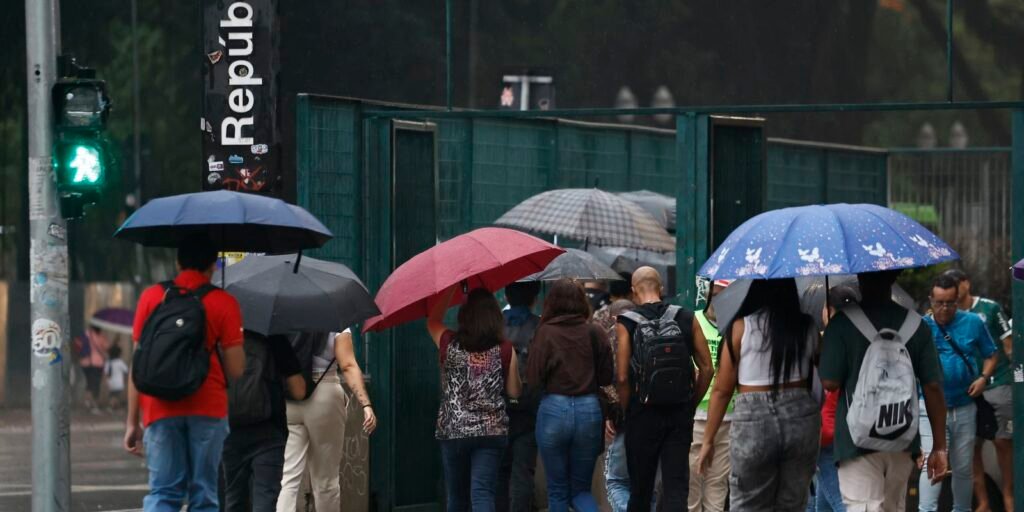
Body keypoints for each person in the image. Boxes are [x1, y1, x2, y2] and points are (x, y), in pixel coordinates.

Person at [123, 237, 246, 512]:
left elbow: (138, 364)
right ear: (213, 265)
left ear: (177, 262)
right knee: (204, 494)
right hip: (208, 408)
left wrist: (132, 422)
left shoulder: (152, 297)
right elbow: (237, 369)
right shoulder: (224, 302)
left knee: (164, 493)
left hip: (159, 407)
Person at [820, 270, 948, 512]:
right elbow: (933, 386)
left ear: (859, 279)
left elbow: (830, 382)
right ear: (894, 278)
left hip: (855, 443)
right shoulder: (916, 325)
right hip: (901, 439)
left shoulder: (842, 324)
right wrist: (939, 447)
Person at [696, 278, 819, 511]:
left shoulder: (741, 327)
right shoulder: (807, 326)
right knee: (792, 504)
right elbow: (823, 375)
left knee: (749, 503)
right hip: (801, 417)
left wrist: (708, 440)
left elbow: (722, 390)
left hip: (755, 420)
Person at [616, 267, 713, 512]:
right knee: (676, 488)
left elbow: (622, 376)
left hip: (641, 414)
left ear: (633, 291)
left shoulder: (626, 322)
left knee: (640, 490)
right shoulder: (687, 318)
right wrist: (690, 403)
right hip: (679, 414)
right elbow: (707, 368)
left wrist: (628, 410)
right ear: (661, 289)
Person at [427, 286, 523, 512]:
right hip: (491, 431)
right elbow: (514, 392)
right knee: (482, 494)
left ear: (464, 315)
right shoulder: (505, 349)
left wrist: (450, 289)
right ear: (495, 318)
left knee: (457, 496)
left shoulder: (449, 343)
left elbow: (432, 320)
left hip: (454, 431)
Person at [527, 279, 614, 512]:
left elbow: (533, 380)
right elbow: (607, 377)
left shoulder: (544, 333)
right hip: (589, 410)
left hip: (553, 410)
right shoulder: (595, 332)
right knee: (581, 491)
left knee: (557, 490)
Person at [918, 273, 999, 512]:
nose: (944, 309)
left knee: (963, 467)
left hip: (964, 404)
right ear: (930, 300)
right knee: (931, 464)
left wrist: (984, 378)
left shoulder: (973, 322)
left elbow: (991, 354)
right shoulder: (922, 326)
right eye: (939, 302)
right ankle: (926, 510)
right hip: (930, 407)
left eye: (950, 303)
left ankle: (962, 509)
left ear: (958, 299)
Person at [276, 329, 378, 512]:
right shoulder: (335, 318)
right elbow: (347, 365)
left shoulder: (287, 314)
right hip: (324, 392)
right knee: (326, 481)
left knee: (288, 479)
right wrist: (366, 404)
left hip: (289, 394)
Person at [942, 268, 1015, 512]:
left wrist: (1017, 379)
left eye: (956, 283)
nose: (953, 289)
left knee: (1003, 441)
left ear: (966, 283)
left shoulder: (989, 308)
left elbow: (1009, 346)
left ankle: (1008, 496)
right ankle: (983, 502)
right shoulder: (947, 315)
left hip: (997, 382)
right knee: (971, 446)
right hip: (968, 389)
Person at [221, 331, 305, 512]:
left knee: (233, 499)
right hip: (269, 433)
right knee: (266, 498)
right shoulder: (274, 338)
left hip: (227, 431)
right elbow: (298, 391)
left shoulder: (216, 338)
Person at [806, 284, 858, 512]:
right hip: (851, 426)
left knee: (840, 500)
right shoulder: (861, 339)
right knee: (823, 500)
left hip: (825, 429)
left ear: (827, 310)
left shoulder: (820, 341)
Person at [688, 279, 734, 512]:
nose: (720, 299)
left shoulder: (738, 324)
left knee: (717, 484)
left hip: (729, 415)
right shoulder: (693, 321)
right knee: (693, 483)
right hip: (699, 413)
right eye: (716, 294)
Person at [497, 281, 542, 512]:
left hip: (497, 407)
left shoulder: (495, 327)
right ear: (535, 297)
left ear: (506, 295)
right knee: (523, 471)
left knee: (500, 471)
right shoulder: (540, 326)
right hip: (529, 408)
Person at [79, 326, 110, 412]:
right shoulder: (100, 336)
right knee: (95, 384)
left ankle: (87, 401)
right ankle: (94, 403)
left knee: (89, 383)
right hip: (97, 363)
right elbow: (107, 346)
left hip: (85, 362)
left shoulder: (87, 334)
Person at [104, 344, 129, 410]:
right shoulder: (120, 362)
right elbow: (126, 370)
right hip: (119, 383)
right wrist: (125, 379)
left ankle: (112, 406)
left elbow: (106, 373)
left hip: (110, 382)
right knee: (116, 396)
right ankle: (112, 406)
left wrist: (107, 382)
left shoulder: (108, 362)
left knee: (112, 395)